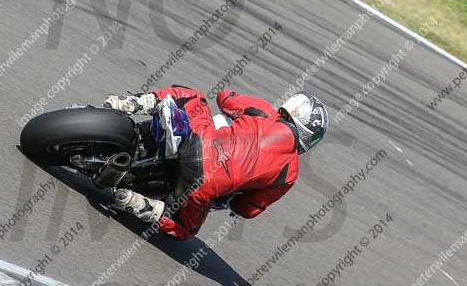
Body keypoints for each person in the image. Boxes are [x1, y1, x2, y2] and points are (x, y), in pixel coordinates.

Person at [103, 85, 328, 239]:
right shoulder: (290, 173)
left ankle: (133, 102)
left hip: (196, 139)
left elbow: (224, 97)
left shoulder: (263, 110)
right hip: (201, 187)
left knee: (192, 95)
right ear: (311, 136)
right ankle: (136, 203)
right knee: (184, 230)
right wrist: (234, 197)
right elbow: (248, 209)